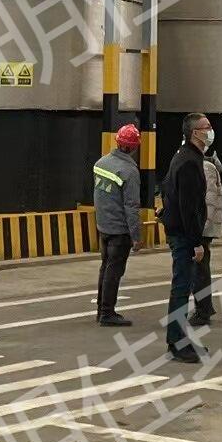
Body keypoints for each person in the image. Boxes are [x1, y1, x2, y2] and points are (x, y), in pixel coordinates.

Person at [159, 112, 212, 362]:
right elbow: (189, 207)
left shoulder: (184, 156)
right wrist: (196, 243)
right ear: (195, 133)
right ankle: (177, 343)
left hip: (179, 231)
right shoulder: (189, 161)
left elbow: (167, 188)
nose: (210, 130)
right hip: (183, 235)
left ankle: (179, 339)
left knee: (183, 287)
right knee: (181, 289)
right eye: (206, 127)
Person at [92, 123, 142, 327]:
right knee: (114, 271)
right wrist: (136, 236)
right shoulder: (129, 171)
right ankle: (107, 313)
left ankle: (101, 310)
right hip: (120, 230)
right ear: (134, 147)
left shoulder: (101, 163)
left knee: (105, 268)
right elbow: (131, 206)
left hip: (103, 226)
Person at [191, 138, 222, 328]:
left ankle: (203, 311)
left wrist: (199, 230)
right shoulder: (204, 166)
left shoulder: (206, 168)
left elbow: (208, 202)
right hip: (199, 227)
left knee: (200, 271)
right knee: (199, 269)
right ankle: (203, 308)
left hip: (201, 229)